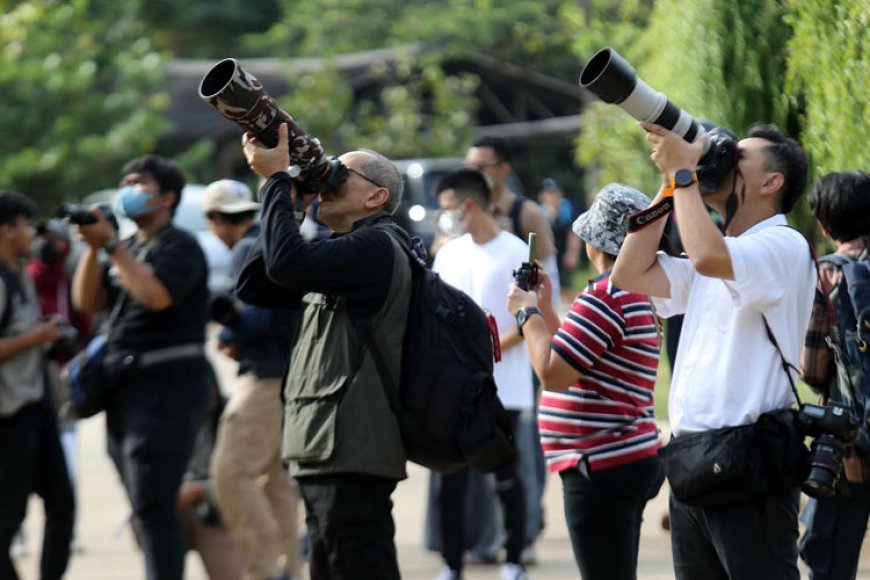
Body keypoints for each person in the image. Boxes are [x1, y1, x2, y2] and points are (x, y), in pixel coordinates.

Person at [611, 121, 813, 579]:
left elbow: (705, 255)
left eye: (738, 156)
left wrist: (685, 174)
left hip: (749, 468)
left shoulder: (783, 245)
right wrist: (669, 183)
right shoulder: (725, 250)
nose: (721, 157)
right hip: (693, 464)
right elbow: (629, 272)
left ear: (771, 182)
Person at [236, 123, 411, 580]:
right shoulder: (345, 252)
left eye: (341, 174)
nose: (327, 179)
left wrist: (275, 183)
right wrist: (288, 201)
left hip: (353, 450)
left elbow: (286, 264)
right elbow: (257, 284)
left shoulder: (378, 246)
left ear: (376, 198)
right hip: (328, 448)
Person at [507, 183, 664, 579]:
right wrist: (543, 306)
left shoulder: (605, 297)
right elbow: (579, 360)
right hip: (623, 455)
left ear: (594, 242)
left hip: (599, 462)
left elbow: (553, 374)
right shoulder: (634, 293)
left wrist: (527, 315)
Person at [72, 155, 211, 580]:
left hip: (166, 392)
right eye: (125, 181)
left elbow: (157, 296)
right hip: (124, 391)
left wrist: (111, 246)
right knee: (144, 506)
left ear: (168, 197)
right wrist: (97, 249)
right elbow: (87, 303)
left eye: (140, 183)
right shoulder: (128, 248)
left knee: (154, 506)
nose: (128, 188)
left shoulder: (180, 245)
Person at [430, 168, 530, 580]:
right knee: (451, 480)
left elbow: (528, 321)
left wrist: (485, 351)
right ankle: (453, 563)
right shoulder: (449, 253)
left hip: (503, 387)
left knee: (506, 478)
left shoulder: (517, 252)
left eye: (448, 209)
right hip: (454, 387)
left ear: (469, 206)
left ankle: (513, 559)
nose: (446, 217)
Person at [202, 178, 302, 580]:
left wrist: (229, 334)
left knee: (231, 475)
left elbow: (256, 320)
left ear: (215, 220)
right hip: (292, 378)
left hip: (265, 379)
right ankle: (289, 568)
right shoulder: (274, 239)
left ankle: (265, 571)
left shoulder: (246, 248)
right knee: (277, 482)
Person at [0, 191, 75, 580]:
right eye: (25, 225)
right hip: (9, 418)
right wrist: (34, 339)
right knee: (7, 519)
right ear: (7, 230)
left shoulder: (18, 272)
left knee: (63, 505)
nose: (31, 232)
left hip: (36, 408)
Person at [799, 170, 870, 580]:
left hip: (849, 446)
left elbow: (813, 369)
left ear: (825, 226)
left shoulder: (827, 274)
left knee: (830, 557)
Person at [537, 177, 582, 290]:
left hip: (564, 253)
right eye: (549, 193)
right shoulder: (538, 213)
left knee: (566, 286)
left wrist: (572, 252)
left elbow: (573, 233)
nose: (552, 197)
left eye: (555, 193)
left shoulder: (569, 209)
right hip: (547, 254)